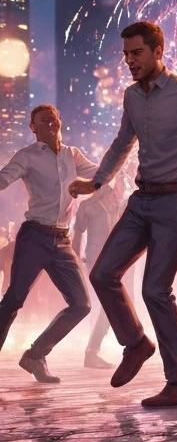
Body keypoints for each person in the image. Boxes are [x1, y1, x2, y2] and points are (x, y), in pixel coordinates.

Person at [69, 21, 177, 409]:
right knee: (102, 273)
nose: (129, 60)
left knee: (155, 290)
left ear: (158, 52)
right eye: (126, 54)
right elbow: (121, 143)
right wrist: (96, 182)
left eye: (137, 53)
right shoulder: (130, 96)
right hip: (141, 200)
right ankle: (136, 343)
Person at [0, 105, 98, 382]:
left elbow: (101, 174)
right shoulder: (27, 155)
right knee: (14, 299)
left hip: (62, 240)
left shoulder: (72, 154)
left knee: (81, 304)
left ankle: (35, 355)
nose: (50, 123)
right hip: (34, 236)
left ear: (60, 122)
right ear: (33, 128)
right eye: (43, 120)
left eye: (53, 118)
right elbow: (4, 178)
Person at [73, 172, 132, 369]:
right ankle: (93, 351)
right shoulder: (88, 206)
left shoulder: (118, 206)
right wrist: (75, 261)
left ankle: (101, 349)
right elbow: (77, 235)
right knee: (108, 305)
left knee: (114, 305)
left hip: (115, 260)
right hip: (97, 261)